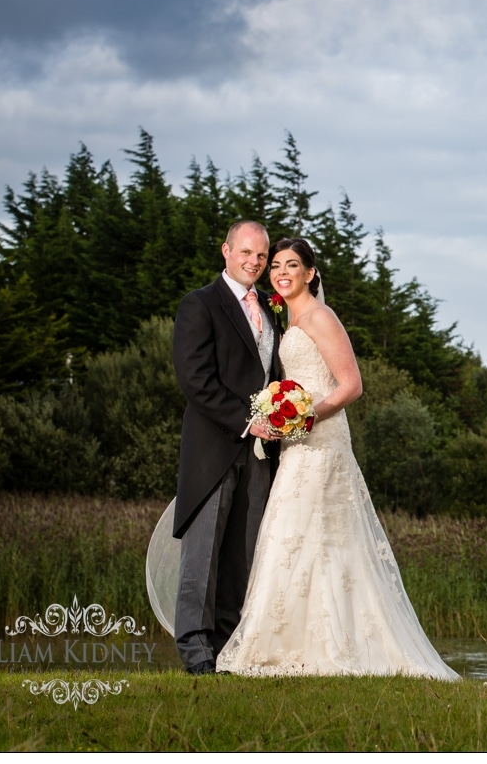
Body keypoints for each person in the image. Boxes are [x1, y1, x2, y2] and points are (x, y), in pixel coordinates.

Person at [216, 238, 459, 679]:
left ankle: (336, 647)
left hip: (322, 440)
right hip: (296, 443)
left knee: (322, 535)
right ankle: (289, 643)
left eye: (292, 265)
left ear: (311, 273)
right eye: (275, 265)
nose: (280, 272)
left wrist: (305, 416)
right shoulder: (287, 322)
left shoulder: (320, 317)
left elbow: (350, 385)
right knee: (295, 536)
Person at [172, 220, 283, 675]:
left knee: (242, 553)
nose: (254, 262)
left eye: (261, 256)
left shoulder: (272, 314)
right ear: (226, 250)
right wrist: (248, 422)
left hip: (259, 455)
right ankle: (196, 653)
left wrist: (281, 416)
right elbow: (195, 380)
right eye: (246, 253)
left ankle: (226, 649)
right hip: (214, 448)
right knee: (203, 555)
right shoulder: (200, 304)